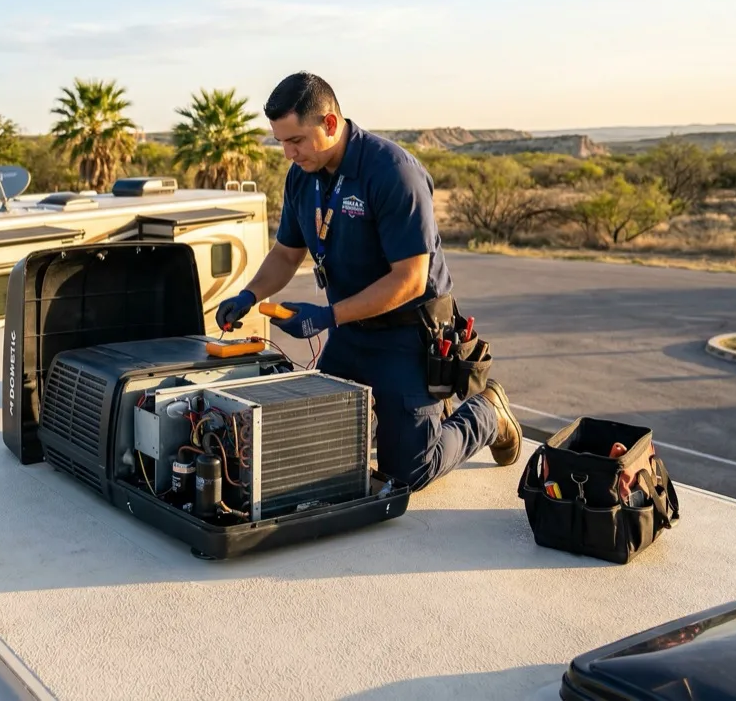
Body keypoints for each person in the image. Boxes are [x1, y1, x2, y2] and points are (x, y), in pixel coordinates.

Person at [216, 71, 521, 491]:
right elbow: (287, 254)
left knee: (406, 473)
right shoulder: (301, 176)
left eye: (296, 140)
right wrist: (250, 294)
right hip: (350, 332)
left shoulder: (392, 171)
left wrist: (325, 315)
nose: (288, 153)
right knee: (314, 448)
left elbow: (411, 280)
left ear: (329, 123)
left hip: (408, 337)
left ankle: (489, 411)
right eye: (280, 142)